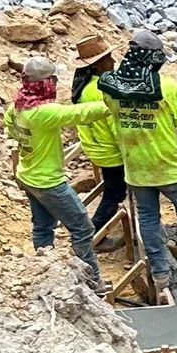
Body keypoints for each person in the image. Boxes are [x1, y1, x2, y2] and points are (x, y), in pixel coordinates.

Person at [97, 38, 177, 302]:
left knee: (148, 219)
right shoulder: (166, 87)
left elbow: (112, 114)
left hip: (136, 168)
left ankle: (160, 275)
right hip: (170, 167)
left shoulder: (112, 87)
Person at [4, 58, 101, 286]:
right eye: (53, 80)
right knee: (82, 228)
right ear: (47, 83)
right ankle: (91, 282)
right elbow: (82, 113)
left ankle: (47, 275)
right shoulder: (43, 113)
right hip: (48, 182)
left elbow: (10, 128)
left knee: (43, 227)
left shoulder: (17, 106)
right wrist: (114, 102)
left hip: (28, 175)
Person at [71, 52, 127, 240]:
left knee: (112, 187)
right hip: (110, 151)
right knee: (115, 194)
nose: (113, 62)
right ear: (96, 65)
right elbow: (116, 124)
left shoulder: (83, 87)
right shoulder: (102, 89)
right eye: (107, 59)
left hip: (95, 147)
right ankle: (93, 234)